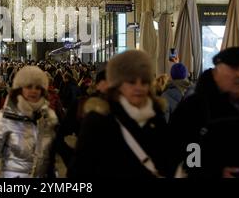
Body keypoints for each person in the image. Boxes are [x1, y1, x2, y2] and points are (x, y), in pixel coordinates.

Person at [169, 47, 239, 178]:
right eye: (234, 68)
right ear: (218, 71)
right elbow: (182, 153)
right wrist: (214, 173)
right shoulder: (193, 108)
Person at [68, 50, 170, 178]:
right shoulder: (99, 121)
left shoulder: (155, 118)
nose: (138, 87)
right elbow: (79, 171)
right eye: (132, 82)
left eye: (144, 82)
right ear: (118, 84)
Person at [0, 66, 58, 178]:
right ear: (20, 89)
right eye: (29, 86)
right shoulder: (5, 117)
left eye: (37, 87)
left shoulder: (48, 117)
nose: (33, 91)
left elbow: (50, 162)